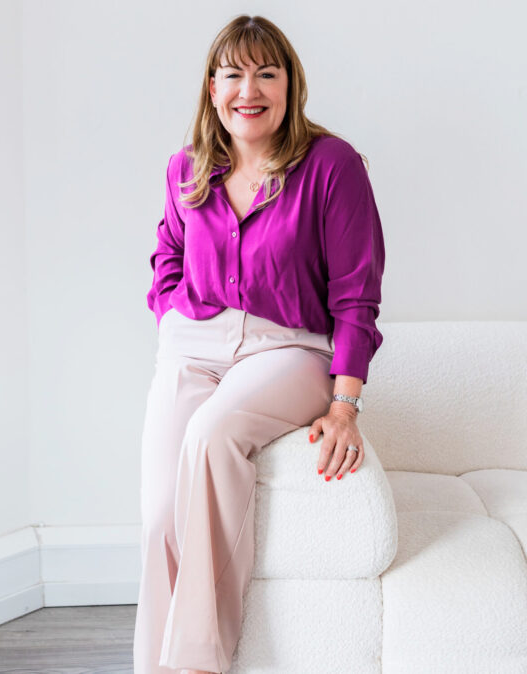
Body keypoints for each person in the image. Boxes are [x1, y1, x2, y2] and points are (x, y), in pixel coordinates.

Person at [133, 14, 386, 674]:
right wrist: (170, 314)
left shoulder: (333, 166)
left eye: (266, 72)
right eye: (233, 73)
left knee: (211, 436)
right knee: (160, 513)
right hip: (192, 346)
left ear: (289, 85)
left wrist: (345, 403)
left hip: (289, 348)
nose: (250, 88)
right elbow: (166, 253)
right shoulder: (186, 169)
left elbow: (357, 294)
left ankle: (197, 664)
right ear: (212, 89)